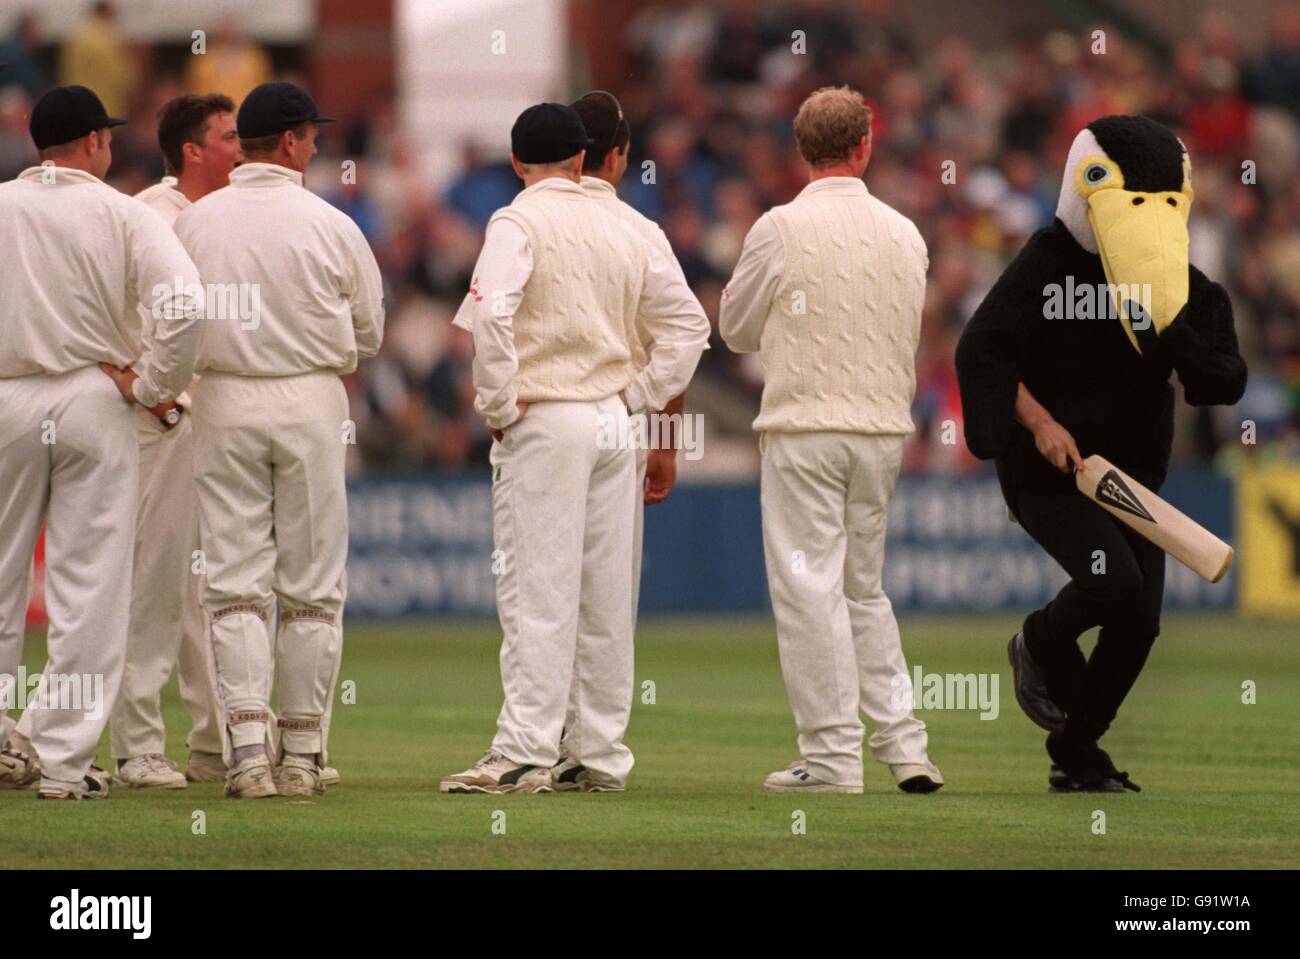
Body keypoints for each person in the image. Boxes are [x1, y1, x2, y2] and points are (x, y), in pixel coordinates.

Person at [956, 116, 1247, 791]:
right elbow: (985, 348)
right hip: (1051, 472)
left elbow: (1224, 380)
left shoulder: (1174, 279)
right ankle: (1039, 639)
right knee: (1112, 581)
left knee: (1140, 621)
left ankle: (1076, 749)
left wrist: (1172, 333)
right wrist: (1037, 421)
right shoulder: (1048, 260)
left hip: (1132, 479)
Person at [441, 102, 708, 794]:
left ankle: (524, 749)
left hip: (548, 415)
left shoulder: (518, 217)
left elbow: (492, 312)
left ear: (516, 164)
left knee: (538, 586)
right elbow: (689, 327)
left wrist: (495, 404)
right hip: (615, 420)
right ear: (584, 160)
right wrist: (637, 399)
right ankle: (597, 751)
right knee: (605, 594)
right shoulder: (631, 224)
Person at [720, 86, 944, 795]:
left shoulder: (778, 228)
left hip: (804, 427)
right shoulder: (906, 232)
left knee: (809, 588)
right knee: (863, 590)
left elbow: (734, 328)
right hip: (881, 430)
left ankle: (832, 758)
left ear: (802, 149)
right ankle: (906, 748)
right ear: (865, 145)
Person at [173, 82, 384, 799]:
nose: (319, 145)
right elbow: (370, 332)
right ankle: (300, 755)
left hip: (223, 398)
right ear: (291, 142)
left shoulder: (197, 224)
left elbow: (169, 320)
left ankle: (246, 754)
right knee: (312, 589)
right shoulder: (332, 222)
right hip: (309, 401)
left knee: (232, 585)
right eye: (312, 135)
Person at [0, 84, 202, 799]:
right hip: (94, 394)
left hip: (6, 394)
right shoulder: (121, 211)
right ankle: (62, 763)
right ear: (92, 143)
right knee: (89, 583)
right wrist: (151, 385)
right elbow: (185, 303)